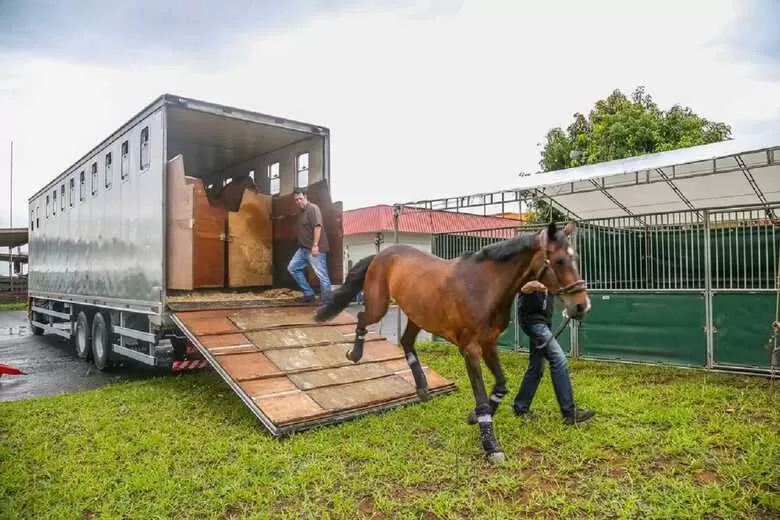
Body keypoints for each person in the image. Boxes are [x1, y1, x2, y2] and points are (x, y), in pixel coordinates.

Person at [512, 280, 595, 425]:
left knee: (536, 367)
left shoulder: (549, 272)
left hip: (543, 322)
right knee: (559, 359)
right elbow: (523, 287)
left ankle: (520, 407)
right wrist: (535, 285)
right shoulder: (531, 268)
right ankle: (569, 412)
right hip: (533, 322)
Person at [287, 188, 332, 304]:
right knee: (292, 268)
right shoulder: (300, 213)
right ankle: (309, 294)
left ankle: (327, 301)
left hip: (315, 248)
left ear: (306, 197)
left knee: (322, 275)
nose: (298, 202)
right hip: (302, 249)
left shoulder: (313, 209)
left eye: (300, 199)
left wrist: (315, 245)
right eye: (296, 200)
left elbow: (318, 227)